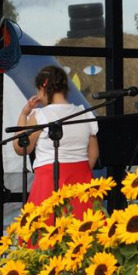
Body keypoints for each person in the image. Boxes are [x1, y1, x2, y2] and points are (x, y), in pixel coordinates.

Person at [13, 65, 99, 211]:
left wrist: (24, 115)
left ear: (43, 88)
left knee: (47, 229)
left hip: (48, 181)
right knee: (84, 226)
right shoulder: (84, 114)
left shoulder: (41, 116)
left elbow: (21, 148)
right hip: (82, 180)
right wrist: (77, 172)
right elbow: (93, 153)